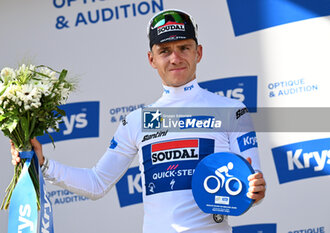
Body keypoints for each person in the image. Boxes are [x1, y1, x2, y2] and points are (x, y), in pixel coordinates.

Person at [11, 9, 266, 233]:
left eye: (184, 48)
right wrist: (43, 164)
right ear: (151, 59)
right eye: (164, 51)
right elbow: (97, 183)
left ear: (198, 52)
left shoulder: (232, 110)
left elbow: (252, 186)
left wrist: (255, 191)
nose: (175, 58)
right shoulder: (138, 121)